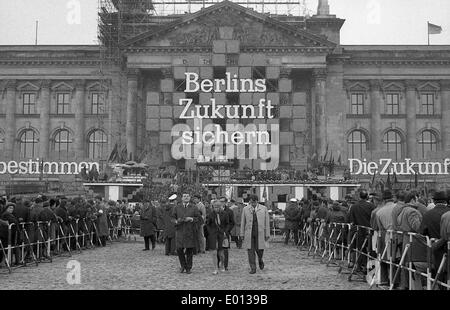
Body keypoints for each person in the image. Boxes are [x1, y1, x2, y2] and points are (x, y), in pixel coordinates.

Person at [240, 194, 270, 274]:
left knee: (260, 250)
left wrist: (267, 233)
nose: (253, 204)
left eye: (254, 202)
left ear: (257, 201)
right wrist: (242, 233)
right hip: (249, 233)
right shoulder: (245, 209)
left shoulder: (264, 209)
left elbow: (267, 222)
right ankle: (253, 268)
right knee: (250, 251)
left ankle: (260, 260)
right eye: (251, 202)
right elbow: (243, 222)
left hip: (260, 233)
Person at [172, 193, 201, 274]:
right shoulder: (177, 207)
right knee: (179, 249)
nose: (186, 197)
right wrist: (176, 221)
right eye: (184, 196)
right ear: (181, 198)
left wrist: (191, 219)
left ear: (190, 198)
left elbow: (199, 218)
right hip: (180, 230)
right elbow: (172, 218)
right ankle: (183, 265)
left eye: (187, 196)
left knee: (189, 250)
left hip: (190, 231)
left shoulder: (194, 207)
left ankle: (188, 267)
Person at [348, 190, 375, 273]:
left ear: (359, 196)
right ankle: (369, 267)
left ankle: (360, 266)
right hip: (370, 231)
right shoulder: (371, 206)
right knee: (370, 249)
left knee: (360, 249)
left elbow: (351, 220)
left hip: (359, 230)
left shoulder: (354, 206)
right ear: (367, 196)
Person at [206, 200, 230, 274]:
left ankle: (222, 264)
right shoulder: (210, 214)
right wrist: (210, 232)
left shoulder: (225, 214)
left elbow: (227, 224)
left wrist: (225, 232)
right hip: (213, 234)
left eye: (217, 207)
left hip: (222, 234)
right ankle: (215, 268)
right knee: (213, 252)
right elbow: (207, 224)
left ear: (220, 207)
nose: (216, 208)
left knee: (221, 253)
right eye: (214, 207)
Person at [219, 197, 234, 270]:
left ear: (225, 202)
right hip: (217, 233)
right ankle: (218, 262)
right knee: (218, 249)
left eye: (222, 201)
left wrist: (227, 231)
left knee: (225, 250)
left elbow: (232, 223)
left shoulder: (230, 211)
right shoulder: (216, 210)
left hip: (225, 233)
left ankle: (225, 265)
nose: (221, 203)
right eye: (220, 201)